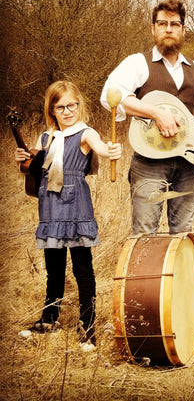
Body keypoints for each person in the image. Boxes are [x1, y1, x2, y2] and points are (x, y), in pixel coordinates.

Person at [101, 0, 194, 235]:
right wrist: (155, 113)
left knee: (183, 234)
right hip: (148, 164)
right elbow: (110, 97)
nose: (168, 29)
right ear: (153, 28)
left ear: (184, 29)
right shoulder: (137, 64)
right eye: (162, 24)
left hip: (188, 165)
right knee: (144, 234)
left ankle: (179, 274)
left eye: (174, 24)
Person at [15, 80, 122, 349]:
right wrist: (23, 158)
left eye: (71, 105)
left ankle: (88, 326)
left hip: (75, 207)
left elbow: (99, 146)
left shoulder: (86, 133)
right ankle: (48, 319)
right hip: (50, 208)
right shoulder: (46, 138)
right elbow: (34, 167)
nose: (67, 111)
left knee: (82, 269)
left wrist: (110, 151)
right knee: (54, 269)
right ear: (52, 110)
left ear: (79, 105)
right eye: (60, 107)